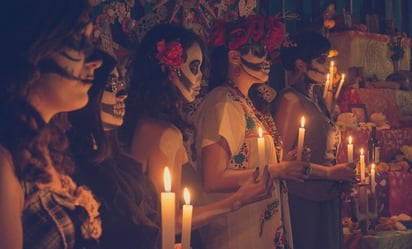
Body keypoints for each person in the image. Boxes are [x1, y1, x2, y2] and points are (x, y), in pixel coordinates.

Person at [121, 23, 273, 248]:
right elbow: (169, 221)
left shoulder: (143, 122)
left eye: (201, 68)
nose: (200, 77)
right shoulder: (164, 134)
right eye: (194, 67)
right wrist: (238, 200)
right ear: (167, 68)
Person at [0, 0, 103, 248]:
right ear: (33, 45)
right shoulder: (5, 165)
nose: (95, 61)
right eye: (79, 40)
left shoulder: (43, 145)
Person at [67, 49, 161, 249]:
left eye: (122, 83)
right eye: (111, 84)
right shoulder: (76, 166)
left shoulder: (122, 162)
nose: (122, 94)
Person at [272, 30, 355, 249]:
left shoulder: (316, 99)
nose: (328, 67)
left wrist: (339, 176)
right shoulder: (290, 99)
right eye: (321, 60)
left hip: (326, 197)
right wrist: (329, 173)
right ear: (300, 64)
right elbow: (283, 163)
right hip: (303, 200)